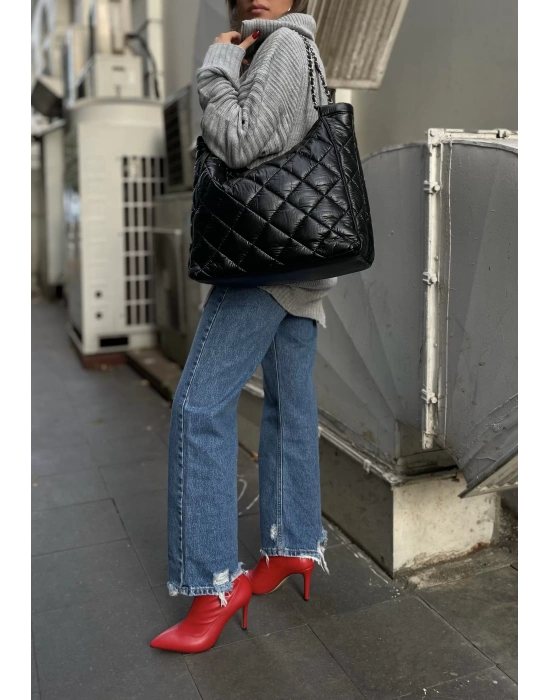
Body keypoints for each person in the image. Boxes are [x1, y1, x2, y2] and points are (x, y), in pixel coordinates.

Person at [150, 0, 336, 654]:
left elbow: (240, 143)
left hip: (261, 264)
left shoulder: (282, 45)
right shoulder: (293, 50)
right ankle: (291, 545)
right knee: (290, 407)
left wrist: (216, 68)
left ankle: (212, 584)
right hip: (299, 262)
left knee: (199, 409)